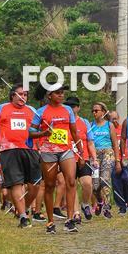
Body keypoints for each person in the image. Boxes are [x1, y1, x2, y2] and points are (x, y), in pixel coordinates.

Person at [0, 84, 41, 228]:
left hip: (31, 150)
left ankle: (24, 207)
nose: (23, 97)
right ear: (12, 95)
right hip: (9, 150)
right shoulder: (1, 108)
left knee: (34, 185)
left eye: (26, 95)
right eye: (20, 94)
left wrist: (42, 148)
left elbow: (39, 130)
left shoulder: (32, 110)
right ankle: (23, 217)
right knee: (16, 183)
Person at [30, 86, 81, 234]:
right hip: (48, 152)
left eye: (62, 93)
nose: (61, 95)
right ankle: (50, 222)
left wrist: (80, 150)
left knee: (71, 182)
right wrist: (43, 133)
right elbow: (31, 132)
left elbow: (73, 131)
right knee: (50, 185)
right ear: (49, 95)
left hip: (66, 150)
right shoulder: (41, 112)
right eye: (58, 93)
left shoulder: (68, 110)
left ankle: (70, 220)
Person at [66, 96, 98, 221]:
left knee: (87, 184)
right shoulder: (63, 122)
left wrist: (94, 158)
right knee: (72, 185)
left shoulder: (84, 122)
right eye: (68, 106)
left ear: (78, 108)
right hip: (67, 159)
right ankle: (76, 212)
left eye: (73, 106)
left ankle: (85, 203)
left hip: (83, 158)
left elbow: (90, 142)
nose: (71, 109)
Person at [90, 102, 121, 218]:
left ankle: (107, 207)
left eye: (96, 110)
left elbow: (115, 144)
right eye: (93, 111)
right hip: (94, 155)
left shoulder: (109, 125)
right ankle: (99, 201)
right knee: (95, 185)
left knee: (105, 180)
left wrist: (118, 161)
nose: (94, 113)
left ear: (103, 112)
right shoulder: (91, 125)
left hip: (108, 153)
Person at [109, 110, 128, 215]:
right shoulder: (109, 130)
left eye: (116, 118)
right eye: (112, 119)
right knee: (117, 183)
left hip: (125, 158)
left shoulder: (123, 128)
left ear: (119, 118)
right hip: (113, 159)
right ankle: (121, 206)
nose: (114, 120)